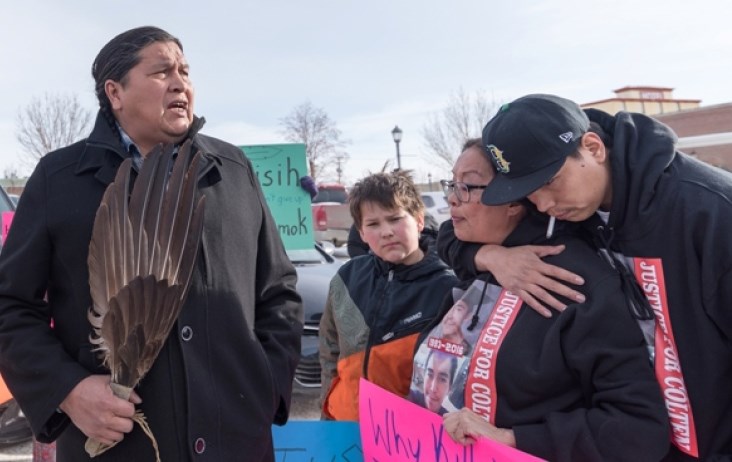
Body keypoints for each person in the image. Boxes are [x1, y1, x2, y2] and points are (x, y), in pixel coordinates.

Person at [0, 26, 303, 461]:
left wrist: (266, 388)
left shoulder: (233, 170)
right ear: (115, 92)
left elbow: (279, 293)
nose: (180, 83)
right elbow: (10, 306)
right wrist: (68, 390)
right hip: (118, 446)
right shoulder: (59, 179)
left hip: (236, 442)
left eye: (184, 71)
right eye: (162, 72)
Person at [477, 93, 732, 461]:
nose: (544, 205)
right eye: (531, 195)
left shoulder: (710, 213)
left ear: (593, 148)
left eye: (550, 182)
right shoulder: (569, 210)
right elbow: (457, 232)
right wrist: (491, 256)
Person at [411, 139, 670, 461]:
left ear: (514, 201)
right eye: (452, 183)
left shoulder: (576, 283)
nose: (451, 198)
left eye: (468, 186)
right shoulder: (481, 260)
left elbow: (638, 428)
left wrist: (514, 439)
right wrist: (488, 256)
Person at [319, 170, 457, 421]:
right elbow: (329, 350)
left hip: (406, 438)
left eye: (395, 219)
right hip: (345, 428)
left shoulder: (449, 289)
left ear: (418, 220)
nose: (386, 232)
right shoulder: (346, 277)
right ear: (361, 233)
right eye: (373, 224)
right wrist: (327, 411)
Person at [406, 350, 457, 415]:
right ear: (424, 375)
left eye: (442, 379)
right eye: (430, 375)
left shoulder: (447, 422)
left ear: (449, 388)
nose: (433, 388)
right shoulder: (408, 398)